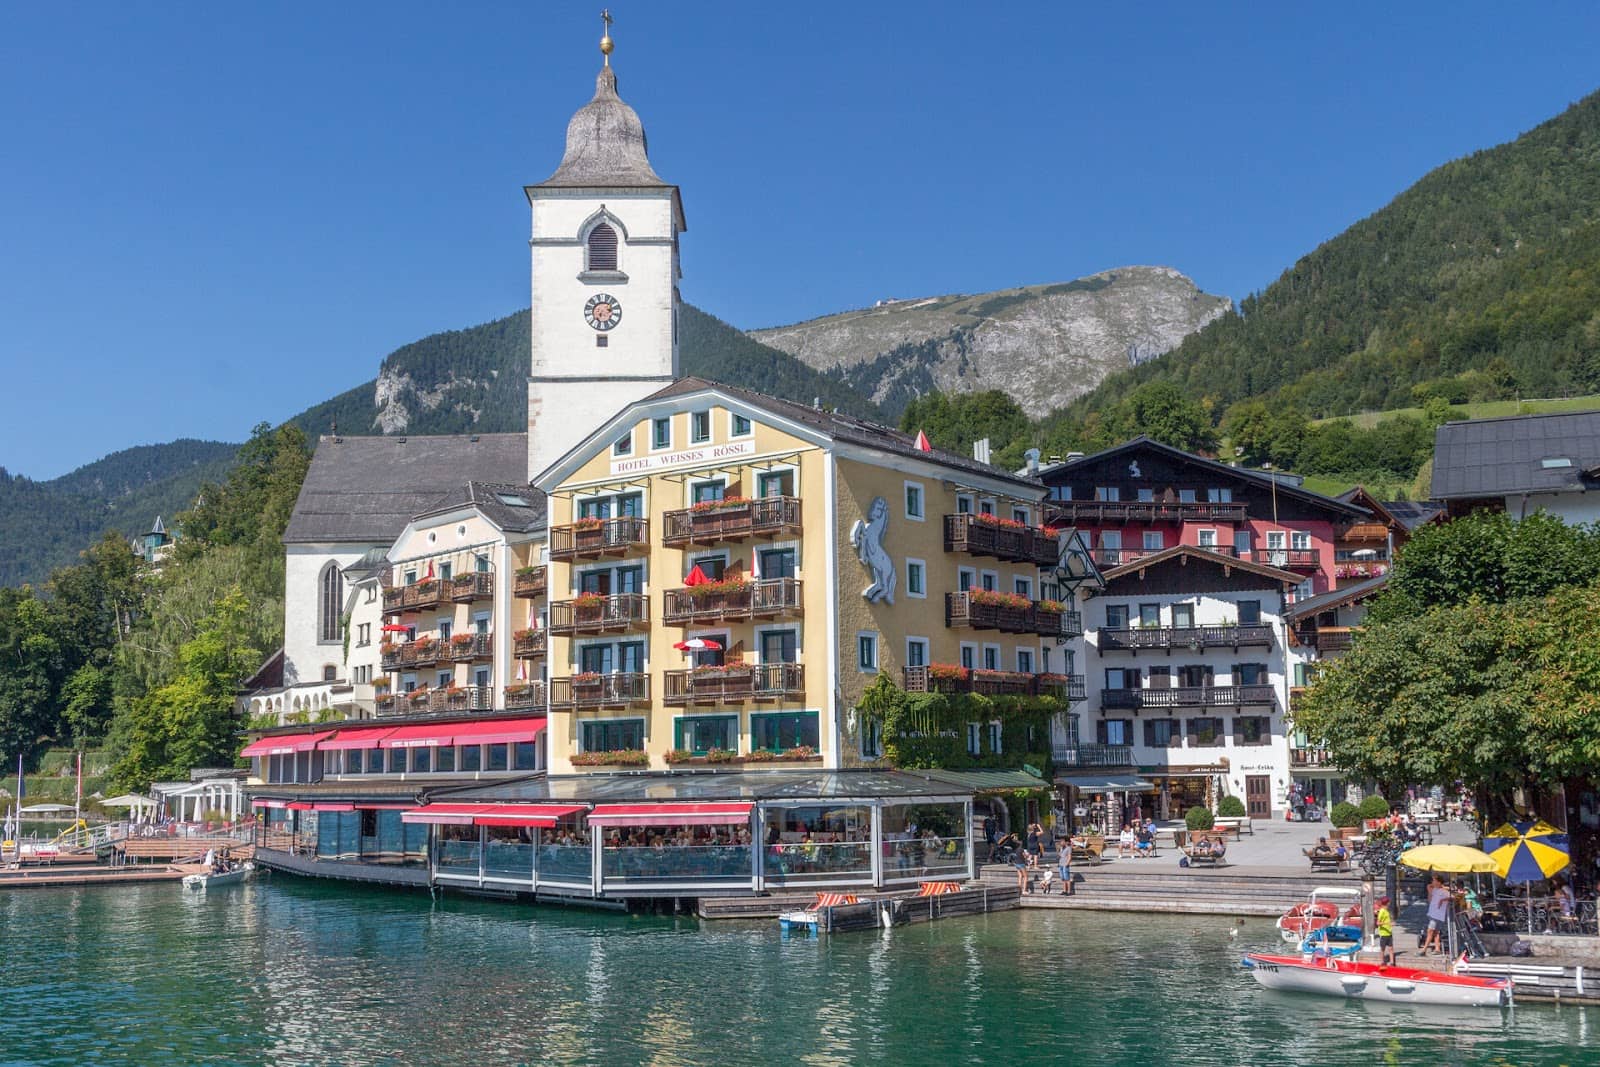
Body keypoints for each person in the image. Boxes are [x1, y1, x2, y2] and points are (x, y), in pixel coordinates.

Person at [1422, 874, 1451, 955]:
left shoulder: (1445, 892)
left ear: (1438, 882)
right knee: (1436, 932)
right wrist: (1436, 885)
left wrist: (1442, 900)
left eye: (1434, 880)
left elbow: (1452, 897)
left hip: (1437, 915)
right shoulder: (1434, 890)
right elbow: (1428, 886)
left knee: (1430, 931)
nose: (1432, 882)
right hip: (1432, 913)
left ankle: (1424, 950)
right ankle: (1437, 948)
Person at [1375, 895, 1395, 965]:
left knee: (1391, 948)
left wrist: (1390, 924)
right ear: (1387, 903)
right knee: (1382, 949)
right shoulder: (1382, 911)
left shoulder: (1386, 911)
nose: (1389, 903)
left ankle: (1392, 963)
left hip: (1389, 933)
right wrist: (1388, 923)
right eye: (1389, 902)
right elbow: (1377, 923)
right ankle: (1382, 962)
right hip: (1383, 934)